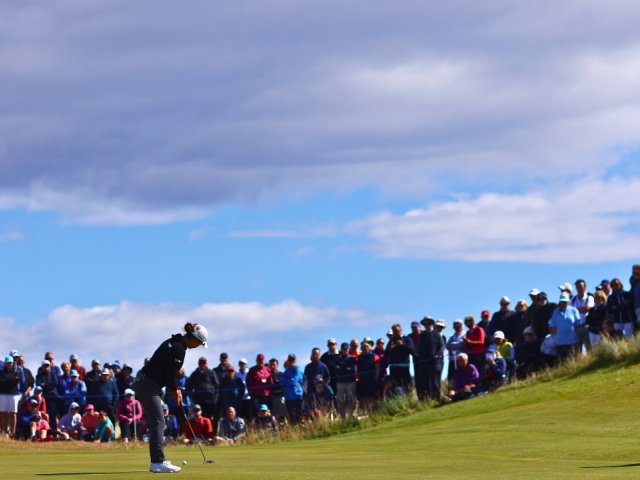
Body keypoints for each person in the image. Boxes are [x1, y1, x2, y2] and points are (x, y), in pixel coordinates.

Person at [136, 322, 208, 473]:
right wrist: (174, 390)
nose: (198, 346)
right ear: (194, 339)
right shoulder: (179, 348)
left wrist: (176, 389)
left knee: (158, 421)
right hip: (148, 385)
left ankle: (158, 460)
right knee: (158, 422)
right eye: (200, 343)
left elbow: (168, 373)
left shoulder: (175, 343)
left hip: (147, 384)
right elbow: (169, 375)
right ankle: (157, 462)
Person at [417, 316, 445, 401]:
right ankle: (428, 400)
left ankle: (437, 399)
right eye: (425, 324)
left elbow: (442, 346)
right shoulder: (422, 335)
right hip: (425, 363)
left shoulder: (436, 334)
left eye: (428, 323)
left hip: (435, 362)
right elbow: (419, 348)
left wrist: (438, 354)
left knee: (435, 382)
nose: (427, 325)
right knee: (426, 382)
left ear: (432, 324)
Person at [186, 356, 219, 423]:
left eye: (204, 363)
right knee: (199, 417)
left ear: (206, 363)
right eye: (201, 363)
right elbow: (188, 386)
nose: (203, 364)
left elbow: (217, 385)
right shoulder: (194, 374)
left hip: (210, 400)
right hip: (198, 400)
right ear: (198, 364)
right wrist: (193, 397)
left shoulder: (211, 372)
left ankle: (210, 433)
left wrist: (215, 398)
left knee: (210, 418)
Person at [384, 324, 415, 395]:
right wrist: (390, 348)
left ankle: (409, 399)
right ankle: (399, 401)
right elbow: (385, 354)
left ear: (401, 330)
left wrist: (403, 344)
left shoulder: (407, 339)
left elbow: (412, 350)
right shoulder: (391, 341)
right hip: (393, 367)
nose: (395, 333)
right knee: (395, 385)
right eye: (394, 331)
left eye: (396, 331)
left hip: (404, 366)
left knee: (406, 384)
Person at [548, 293, 580, 360]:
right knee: (563, 362)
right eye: (562, 301)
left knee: (574, 360)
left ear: (568, 301)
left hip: (572, 341)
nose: (564, 303)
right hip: (560, 342)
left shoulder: (574, 310)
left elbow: (578, 324)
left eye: (565, 301)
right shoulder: (555, 312)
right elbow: (552, 325)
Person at [35, 360, 61, 430]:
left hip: (52, 398)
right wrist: (48, 385)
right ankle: (44, 430)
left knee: (53, 416)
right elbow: (38, 384)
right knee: (43, 415)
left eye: (47, 366)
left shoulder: (53, 374)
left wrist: (45, 385)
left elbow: (55, 383)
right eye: (45, 366)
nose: (46, 367)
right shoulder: (39, 375)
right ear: (42, 367)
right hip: (43, 398)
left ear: (50, 367)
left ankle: (53, 432)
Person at [335, 342, 357, 418]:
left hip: (350, 382)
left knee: (351, 399)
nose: (345, 350)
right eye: (343, 349)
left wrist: (342, 369)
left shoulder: (352, 358)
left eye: (346, 349)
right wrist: (345, 369)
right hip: (341, 383)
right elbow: (337, 370)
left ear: (348, 349)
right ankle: (342, 417)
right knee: (341, 400)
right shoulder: (338, 359)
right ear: (341, 349)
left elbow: (352, 370)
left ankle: (352, 415)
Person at [356, 340, 379, 413]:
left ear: (369, 348)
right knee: (363, 396)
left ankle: (372, 411)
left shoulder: (374, 356)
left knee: (371, 396)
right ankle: (364, 412)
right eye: (363, 348)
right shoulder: (359, 357)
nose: (365, 349)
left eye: (366, 347)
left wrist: (376, 377)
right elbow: (356, 369)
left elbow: (377, 367)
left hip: (371, 379)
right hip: (362, 380)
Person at [0, 355, 20, 437]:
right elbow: (2, 382)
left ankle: (13, 432)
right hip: (2, 394)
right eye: (8, 363)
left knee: (13, 413)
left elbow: (16, 381)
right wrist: (10, 380)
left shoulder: (16, 372)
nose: (9, 364)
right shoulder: (1, 372)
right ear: (5, 363)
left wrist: (6, 380)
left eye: (11, 363)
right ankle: (4, 432)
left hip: (13, 394)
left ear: (13, 363)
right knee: (2, 413)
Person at [281, 354, 304, 424]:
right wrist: (289, 381)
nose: (291, 362)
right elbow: (281, 382)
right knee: (291, 415)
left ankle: (300, 428)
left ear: (295, 360)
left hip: (297, 395)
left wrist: (288, 381)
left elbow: (295, 379)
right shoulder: (286, 372)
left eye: (293, 360)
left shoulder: (298, 369)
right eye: (290, 360)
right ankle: (293, 431)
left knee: (299, 414)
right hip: (288, 397)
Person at [445, 320, 466, 389]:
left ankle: (461, 391)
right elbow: (447, 345)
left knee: (461, 376)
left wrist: (453, 345)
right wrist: (455, 344)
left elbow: (461, 344)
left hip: (461, 360)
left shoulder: (465, 334)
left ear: (462, 326)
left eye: (458, 326)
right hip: (452, 359)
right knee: (451, 377)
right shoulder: (452, 336)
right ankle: (451, 391)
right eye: (455, 327)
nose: (457, 328)